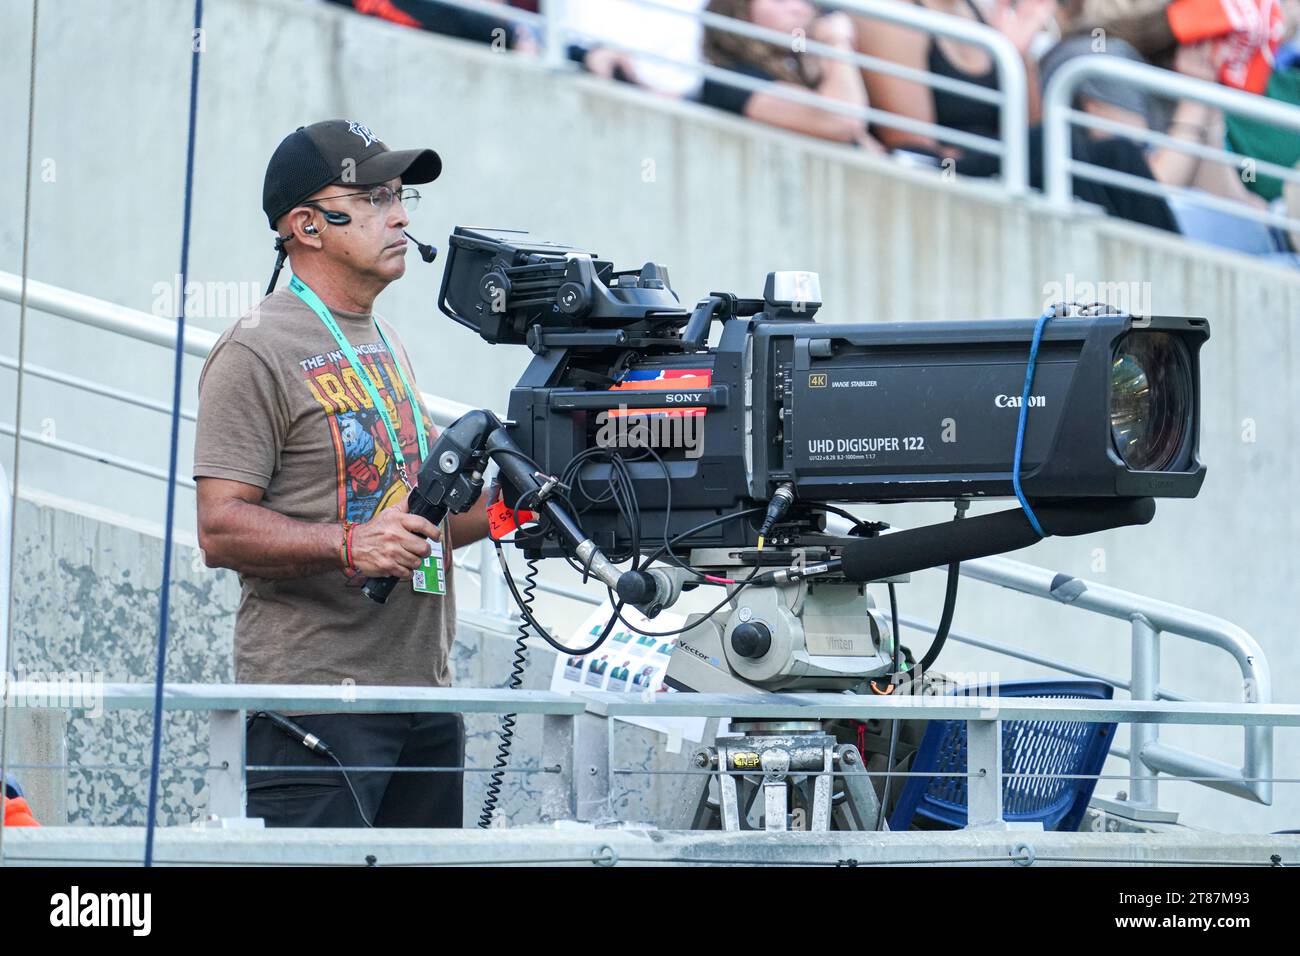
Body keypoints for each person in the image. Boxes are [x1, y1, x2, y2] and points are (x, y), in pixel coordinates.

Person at [194, 120, 490, 828]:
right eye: (374, 196)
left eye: (400, 194)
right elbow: (218, 528)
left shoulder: (381, 337)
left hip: (421, 699)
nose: (401, 215)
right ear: (307, 224)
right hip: (316, 710)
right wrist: (349, 545)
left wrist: (534, 499)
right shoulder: (252, 350)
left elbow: (420, 523)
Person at [698, 0, 887, 150]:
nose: (798, 9)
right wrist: (836, 41)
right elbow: (844, 122)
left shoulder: (802, 68)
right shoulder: (728, 79)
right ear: (739, 11)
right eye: (780, 0)